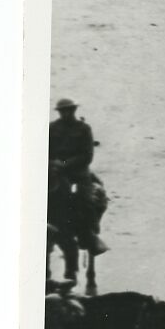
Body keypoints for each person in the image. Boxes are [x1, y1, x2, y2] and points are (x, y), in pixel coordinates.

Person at [49, 97, 106, 253]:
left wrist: (66, 164)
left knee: (86, 200)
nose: (65, 113)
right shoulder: (52, 128)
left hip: (77, 173)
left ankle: (89, 236)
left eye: (68, 110)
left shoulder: (84, 129)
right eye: (62, 111)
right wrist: (53, 162)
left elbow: (87, 155)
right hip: (55, 172)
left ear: (74, 110)